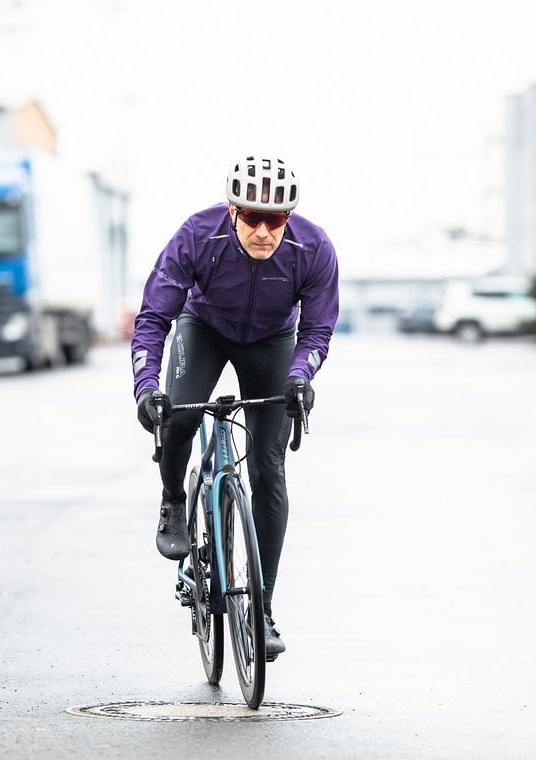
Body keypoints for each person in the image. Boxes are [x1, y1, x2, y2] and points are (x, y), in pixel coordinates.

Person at [131, 155, 339, 659]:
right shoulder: (198, 236)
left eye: (277, 219)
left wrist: (299, 378)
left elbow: (316, 329)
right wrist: (146, 387)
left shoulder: (313, 249)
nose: (264, 231)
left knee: (269, 470)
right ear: (231, 211)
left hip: (271, 340)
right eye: (252, 218)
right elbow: (154, 317)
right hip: (203, 328)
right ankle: (174, 501)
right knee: (179, 415)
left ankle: (262, 609)